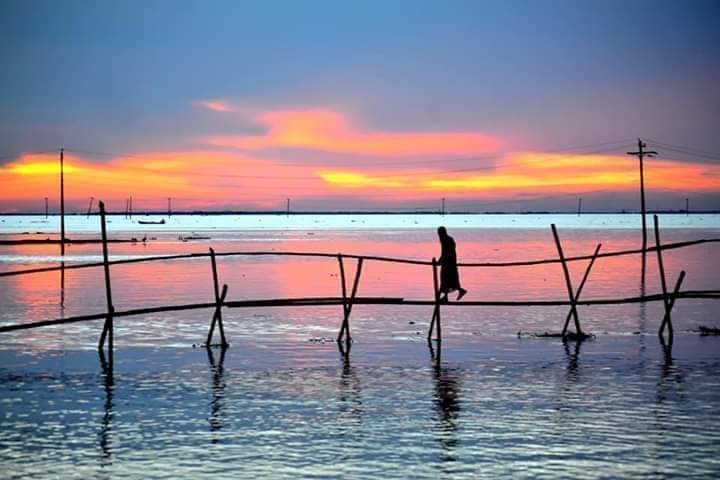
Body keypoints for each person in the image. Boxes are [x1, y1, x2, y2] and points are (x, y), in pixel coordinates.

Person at [437, 226, 467, 302]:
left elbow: (445, 252)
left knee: (446, 279)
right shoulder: (449, 239)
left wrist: (440, 261)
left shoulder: (445, 240)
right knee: (450, 280)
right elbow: (446, 252)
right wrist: (441, 260)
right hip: (451, 262)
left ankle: (446, 297)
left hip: (448, 263)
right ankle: (448, 296)